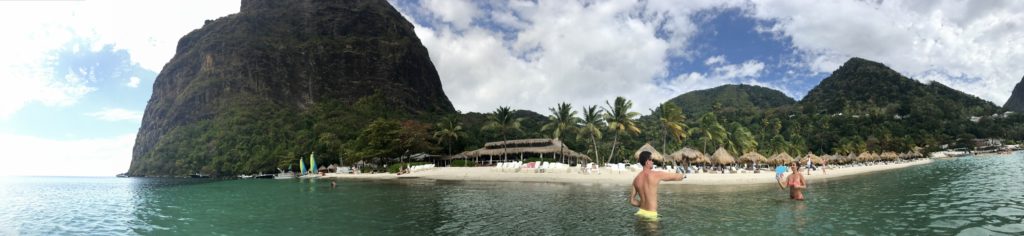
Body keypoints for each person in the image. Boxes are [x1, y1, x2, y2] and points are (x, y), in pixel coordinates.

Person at [629, 151, 685, 221]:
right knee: (654, 232)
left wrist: (643, 204)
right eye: (651, 160)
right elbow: (676, 177)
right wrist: (683, 176)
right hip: (651, 215)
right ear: (647, 162)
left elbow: (632, 201)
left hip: (640, 213)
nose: (653, 162)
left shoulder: (636, 179)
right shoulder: (656, 174)